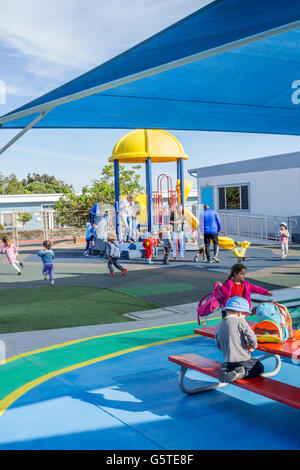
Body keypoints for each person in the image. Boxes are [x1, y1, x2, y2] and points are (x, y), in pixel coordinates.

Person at [216, 296, 264, 383]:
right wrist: (253, 345)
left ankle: (226, 368)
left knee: (233, 366)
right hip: (243, 359)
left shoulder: (220, 324)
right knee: (259, 368)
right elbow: (251, 335)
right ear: (239, 313)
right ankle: (242, 373)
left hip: (228, 360)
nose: (245, 317)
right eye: (245, 314)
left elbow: (218, 344)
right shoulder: (240, 321)